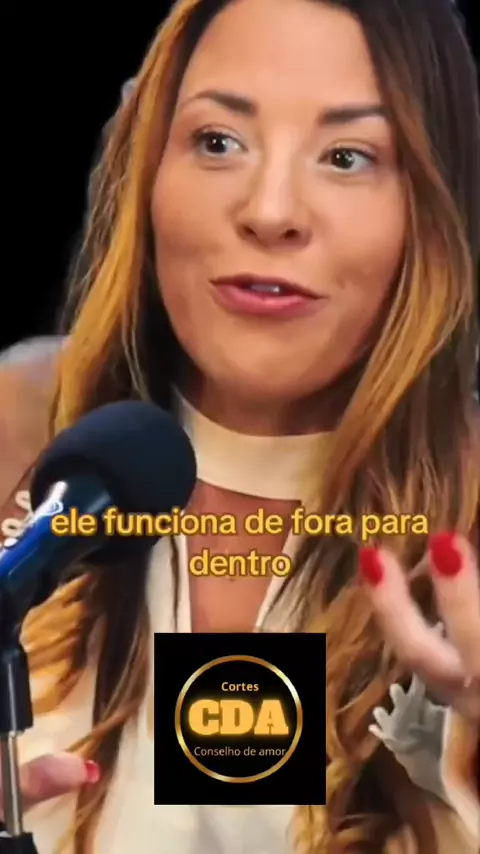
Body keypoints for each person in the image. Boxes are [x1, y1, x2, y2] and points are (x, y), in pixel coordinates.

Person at [0, 0, 479, 851]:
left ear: (432, 209)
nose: (269, 210)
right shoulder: (18, 424)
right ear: (148, 169)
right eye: (219, 141)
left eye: (346, 156)